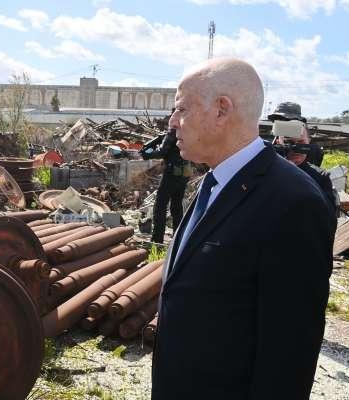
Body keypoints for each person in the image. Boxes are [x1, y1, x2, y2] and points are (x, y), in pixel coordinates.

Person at [152, 58, 336, 400]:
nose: (172, 122)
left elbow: (289, 352)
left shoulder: (293, 202)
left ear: (222, 110)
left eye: (181, 109)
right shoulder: (212, 182)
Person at [268, 102, 337, 213]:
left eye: (301, 142)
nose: (295, 148)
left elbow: (327, 215)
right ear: (277, 142)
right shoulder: (265, 171)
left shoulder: (320, 178)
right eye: (288, 142)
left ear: (309, 142)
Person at [141, 129, 191, 243]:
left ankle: (157, 239)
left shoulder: (172, 133)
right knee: (176, 206)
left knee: (160, 206)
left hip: (172, 173)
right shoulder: (187, 131)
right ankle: (178, 237)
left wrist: (146, 154)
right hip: (185, 173)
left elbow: (162, 152)